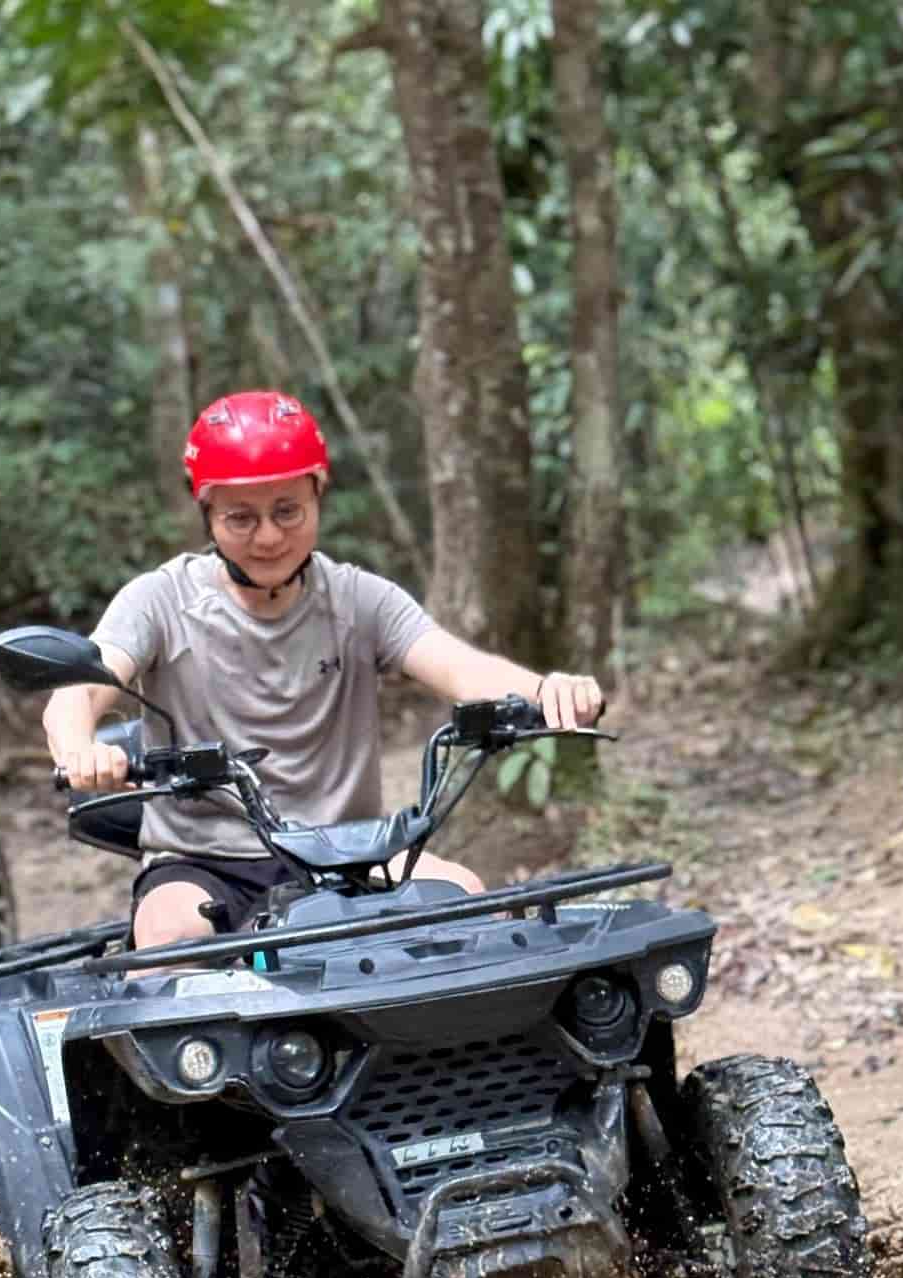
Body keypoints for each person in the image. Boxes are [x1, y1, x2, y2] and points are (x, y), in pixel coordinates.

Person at [44, 390, 604, 950]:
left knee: (466, 900)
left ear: (318, 494)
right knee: (170, 936)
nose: (268, 536)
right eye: (241, 517)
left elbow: (460, 666)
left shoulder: (358, 599)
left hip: (352, 854)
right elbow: (78, 691)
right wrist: (80, 750)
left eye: (288, 510)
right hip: (206, 862)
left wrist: (547, 690)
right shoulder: (160, 600)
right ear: (207, 513)